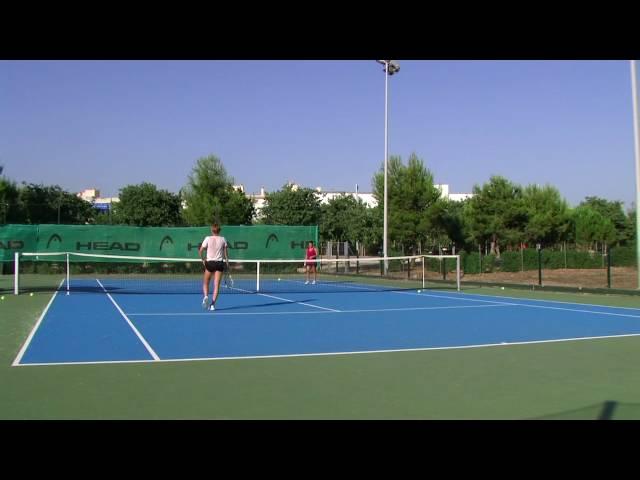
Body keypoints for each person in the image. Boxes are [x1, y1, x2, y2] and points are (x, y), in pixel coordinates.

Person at [198, 223, 229, 311]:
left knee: (206, 282)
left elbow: (200, 251)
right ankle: (212, 305)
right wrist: (227, 263)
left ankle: (206, 296)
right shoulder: (223, 239)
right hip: (219, 263)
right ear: (219, 231)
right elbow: (226, 254)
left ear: (212, 230)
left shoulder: (207, 238)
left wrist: (203, 260)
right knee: (216, 286)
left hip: (209, 263)